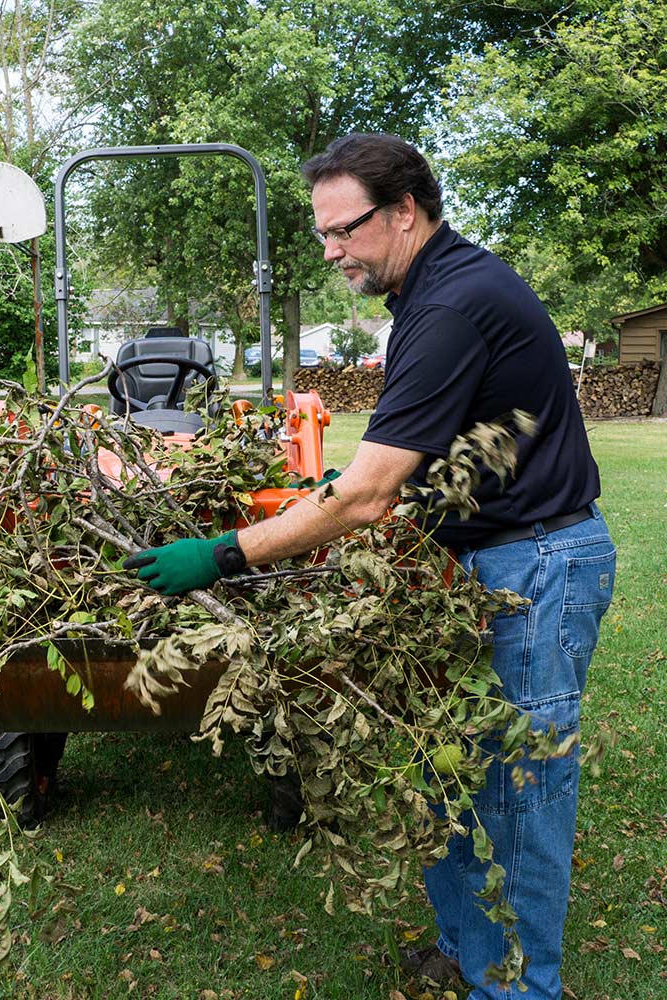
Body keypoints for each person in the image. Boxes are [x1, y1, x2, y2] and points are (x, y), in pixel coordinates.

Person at [124, 133, 616, 1000]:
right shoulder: (437, 292)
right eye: (321, 235)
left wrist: (225, 553)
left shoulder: (454, 306)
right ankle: (467, 957)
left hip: (535, 567)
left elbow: (364, 499)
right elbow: (411, 456)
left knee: (516, 794)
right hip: (477, 561)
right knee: (449, 769)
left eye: (342, 231)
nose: (329, 252)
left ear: (402, 212)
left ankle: (519, 991)